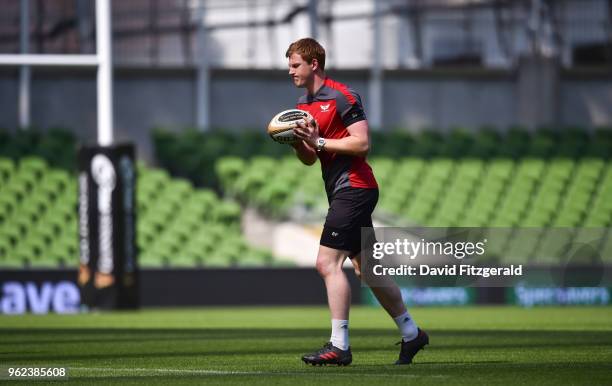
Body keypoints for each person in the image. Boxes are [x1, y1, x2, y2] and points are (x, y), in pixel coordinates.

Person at [285, 37, 429, 366]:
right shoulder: (303, 105)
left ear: (313, 64)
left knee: (326, 264)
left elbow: (362, 144)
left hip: (356, 187)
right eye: (289, 65)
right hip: (341, 189)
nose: (290, 71)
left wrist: (318, 140)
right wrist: (297, 144)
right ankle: (412, 334)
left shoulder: (342, 95)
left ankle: (339, 346)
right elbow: (311, 159)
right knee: (370, 272)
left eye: (295, 65)